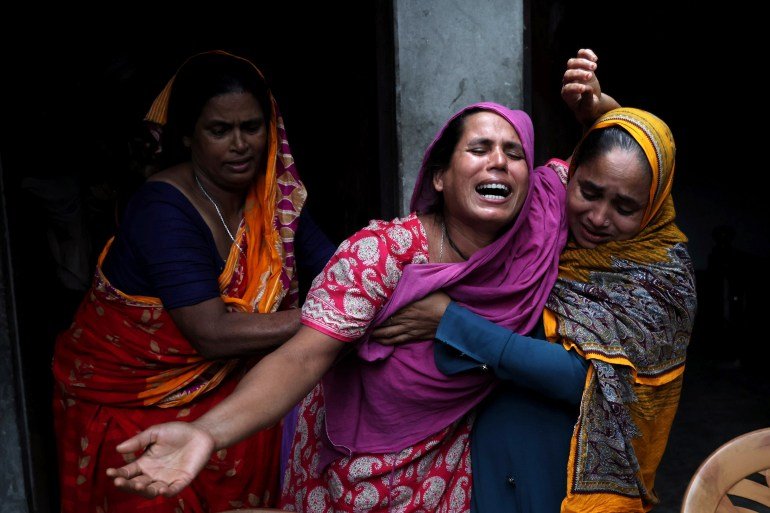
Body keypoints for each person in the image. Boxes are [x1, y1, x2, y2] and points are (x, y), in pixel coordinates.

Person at [106, 94, 570, 511]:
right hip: (365, 475)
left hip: (462, 478)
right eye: (479, 149)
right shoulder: (383, 255)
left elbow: (622, 164)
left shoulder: (540, 234)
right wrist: (207, 432)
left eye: (514, 154)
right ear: (440, 177)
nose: (499, 163)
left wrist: (597, 107)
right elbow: (304, 355)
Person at [374, 103, 697, 512]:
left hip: (560, 487)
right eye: (589, 192)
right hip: (482, 478)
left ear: (652, 207)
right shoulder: (542, 229)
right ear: (570, 174)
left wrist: (452, 322)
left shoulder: (661, 280)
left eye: (625, 207)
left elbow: (587, 381)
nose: (598, 217)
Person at [51, 50, 335, 513]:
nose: (240, 144)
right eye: (219, 130)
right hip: (136, 411)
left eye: (252, 127)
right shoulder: (163, 208)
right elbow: (212, 332)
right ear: (187, 135)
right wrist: (336, 318)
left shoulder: (272, 204)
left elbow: (341, 270)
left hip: (229, 409)